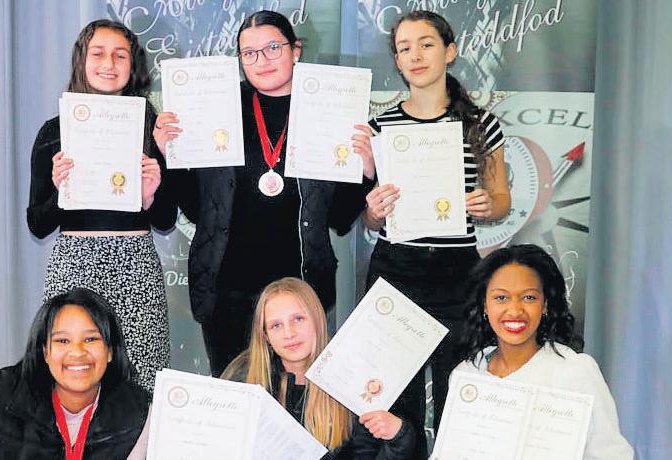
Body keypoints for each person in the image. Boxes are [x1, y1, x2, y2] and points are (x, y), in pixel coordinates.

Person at [155, 10, 375, 378]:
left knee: (298, 399)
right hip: (227, 292)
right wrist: (171, 156)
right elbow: (197, 210)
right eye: (250, 53)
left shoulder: (327, 110)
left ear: (296, 50)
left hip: (300, 293)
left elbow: (339, 218)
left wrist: (365, 171)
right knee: (234, 397)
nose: (262, 60)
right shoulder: (218, 109)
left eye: (273, 48)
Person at [360, 10, 512, 456]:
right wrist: (373, 212)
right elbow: (370, 220)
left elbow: (501, 200)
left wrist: (486, 204)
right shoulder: (379, 128)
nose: (416, 55)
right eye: (404, 48)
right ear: (397, 60)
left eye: (426, 44)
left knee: (459, 392)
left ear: (450, 51)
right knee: (395, 399)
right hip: (395, 270)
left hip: (457, 272)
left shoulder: (481, 124)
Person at [26, 19, 175, 392]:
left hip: (136, 264)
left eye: (120, 55)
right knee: (73, 375)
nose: (109, 64)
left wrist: (150, 194)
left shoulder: (153, 128)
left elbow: (166, 220)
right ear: (81, 60)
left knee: (143, 375)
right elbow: (37, 224)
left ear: (133, 65)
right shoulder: (54, 131)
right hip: (74, 264)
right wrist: (59, 191)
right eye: (98, 53)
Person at [450, 245, 634, 459]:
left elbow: (612, 455)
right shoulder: (467, 374)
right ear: (484, 305)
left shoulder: (576, 372)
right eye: (501, 298)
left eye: (529, 297)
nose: (515, 311)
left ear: (545, 304)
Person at [0, 288, 151, 459]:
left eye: (90, 339)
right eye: (62, 340)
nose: (77, 352)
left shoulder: (138, 414)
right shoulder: (2, 404)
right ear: (45, 353)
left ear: (110, 351)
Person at [222, 277, 414, 459]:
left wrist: (399, 436)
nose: (289, 333)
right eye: (276, 325)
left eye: (298, 319)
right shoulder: (242, 378)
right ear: (265, 336)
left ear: (317, 320)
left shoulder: (353, 380)